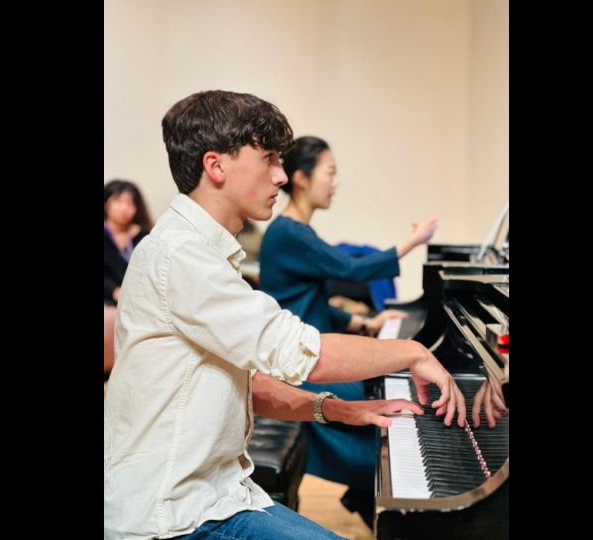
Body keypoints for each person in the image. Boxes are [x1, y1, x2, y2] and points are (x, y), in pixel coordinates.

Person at [103, 90, 466, 540]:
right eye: (270, 158)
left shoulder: (196, 250)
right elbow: (305, 352)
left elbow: (244, 384)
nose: (281, 174)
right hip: (175, 517)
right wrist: (411, 352)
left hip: (221, 494)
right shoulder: (181, 256)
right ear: (216, 167)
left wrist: (338, 409)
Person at [257, 135, 440, 527]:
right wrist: (414, 240)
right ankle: (388, 501)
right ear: (302, 179)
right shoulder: (289, 232)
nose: (336, 182)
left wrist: (362, 323)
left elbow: (314, 301)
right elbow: (351, 270)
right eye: (331, 172)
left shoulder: (295, 230)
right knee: (381, 409)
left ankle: (373, 499)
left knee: (383, 396)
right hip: (297, 366)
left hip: (309, 353)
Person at [104, 179, 152, 379]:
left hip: (138, 297)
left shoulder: (144, 235)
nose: (124, 208)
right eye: (118, 201)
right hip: (109, 297)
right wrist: (114, 290)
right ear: (106, 203)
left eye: (130, 203)